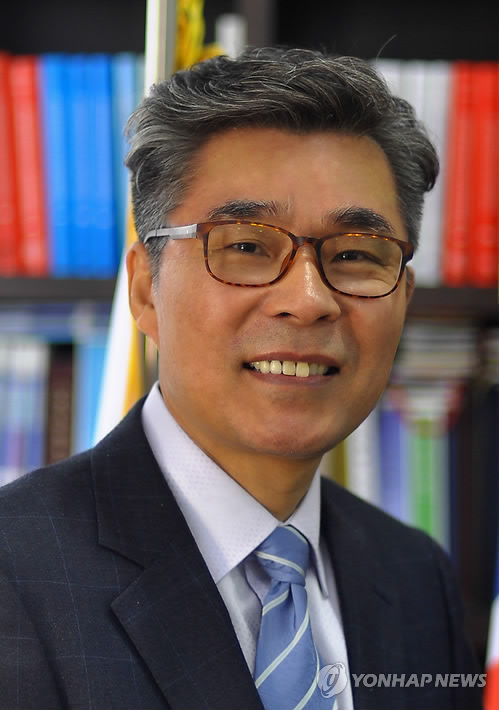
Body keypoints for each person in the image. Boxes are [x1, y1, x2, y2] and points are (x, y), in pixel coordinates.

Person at [0, 47, 483, 710]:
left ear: (403, 297)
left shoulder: (415, 576)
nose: (308, 300)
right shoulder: (15, 572)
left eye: (354, 255)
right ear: (144, 289)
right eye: (248, 246)